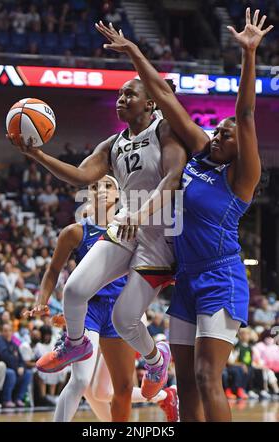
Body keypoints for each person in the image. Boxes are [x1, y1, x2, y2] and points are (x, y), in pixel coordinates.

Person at [95, 8, 273, 421]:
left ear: (238, 149)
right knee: (187, 381)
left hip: (221, 276)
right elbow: (165, 97)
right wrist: (134, 52)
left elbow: (244, 115)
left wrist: (248, 54)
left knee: (209, 376)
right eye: (217, 131)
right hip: (188, 277)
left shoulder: (241, 177)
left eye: (225, 135)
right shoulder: (198, 154)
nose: (218, 135)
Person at [8, 75, 187, 401]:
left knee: (124, 320)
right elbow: (80, 175)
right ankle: (76, 344)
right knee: (75, 290)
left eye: (128, 94)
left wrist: (141, 213)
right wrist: (38, 155)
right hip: (126, 224)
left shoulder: (165, 130)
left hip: (160, 232)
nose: (120, 99)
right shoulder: (112, 144)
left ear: (150, 103)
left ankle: (156, 359)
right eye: (118, 94)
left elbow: (174, 177)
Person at [25, 176, 179, 422]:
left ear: (119, 195)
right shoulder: (75, 231)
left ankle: (164, 396)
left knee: (108, 390)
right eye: (94, 186)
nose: (100, 190)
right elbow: (53, 270)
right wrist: (41, 300)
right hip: (91, 310)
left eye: (108, 185)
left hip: (123, 309)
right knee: (81, 381)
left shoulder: (134, 229)